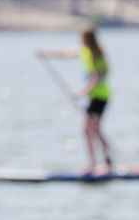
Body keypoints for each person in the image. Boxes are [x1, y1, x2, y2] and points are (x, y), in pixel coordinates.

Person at [38, 26, 113, 175]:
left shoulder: (96, 55)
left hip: (100, 97)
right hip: (94, 97)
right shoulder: (84, 50)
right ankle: (99, 162)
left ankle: (99, 163)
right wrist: (46, 53)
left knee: (90, 130)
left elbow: (95, 79)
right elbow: (66, 53)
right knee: (92, 130)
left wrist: (78, 93)